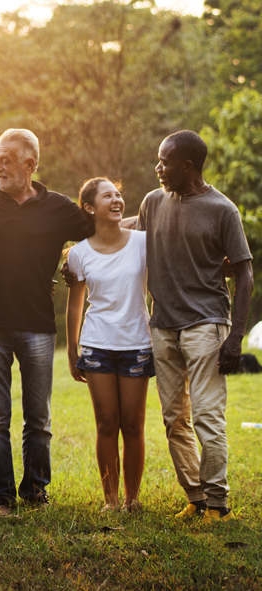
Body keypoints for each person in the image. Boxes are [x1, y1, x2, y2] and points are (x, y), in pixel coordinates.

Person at [0, 129, 92, 516]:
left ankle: (35, 491)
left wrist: (71, 265)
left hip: (37, 325)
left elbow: (100, 230)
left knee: (39, 418)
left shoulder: (59, 207)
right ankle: (0, 495)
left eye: (5, 159)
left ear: (29, 165)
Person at [137, 131, 252, 522]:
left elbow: (245, 275)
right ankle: (196, 497)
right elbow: (124, 244)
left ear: (187, 166)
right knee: (174, 418)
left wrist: (235, 336)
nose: (158, 168)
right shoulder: (153, 202)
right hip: (163, 324)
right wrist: (75, 258)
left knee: (206, 415)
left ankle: (218, 504)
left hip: (206, 323)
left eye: (164, 162)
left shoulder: (223, 210)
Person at [65, 178, 152, 513]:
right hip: (97, 345)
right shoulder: (78, 253)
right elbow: (75, 305)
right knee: (106, 422)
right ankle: (110, 501)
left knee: (133, 423)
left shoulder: (143, 243)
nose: (116, 200)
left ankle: (132, 499)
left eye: (118, 194)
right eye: (107, 196)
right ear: (89, 207)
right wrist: (73, 352)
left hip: (136, 343)